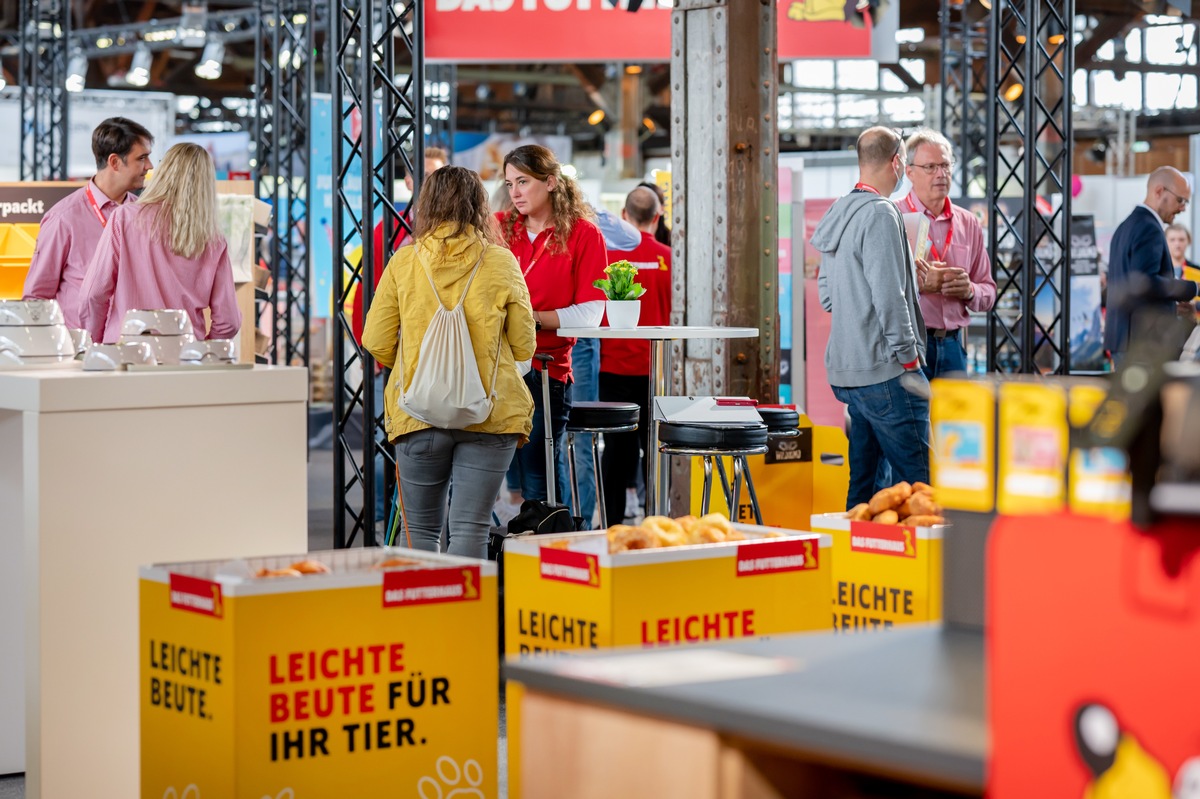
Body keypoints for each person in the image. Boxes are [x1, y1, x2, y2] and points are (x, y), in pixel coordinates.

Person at [362, 165, 535, 558]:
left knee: (419, 530)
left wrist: (418, 365)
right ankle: (469, 618)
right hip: (490, 414)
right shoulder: (500, 261)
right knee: (471, 527)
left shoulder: (404, 262)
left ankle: (425, 613)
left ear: (427, 206)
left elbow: (375, 340)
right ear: (480, 205)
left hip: (418, 412)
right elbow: (525, 344)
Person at [812, 126, 930, 509]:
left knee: (865, 488)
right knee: (922, 484)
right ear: (897, 162)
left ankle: (856, 566)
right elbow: (890, 298)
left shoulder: (839, 212)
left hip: (849, 373)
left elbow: (827, 297)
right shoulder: (881, 214)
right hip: (887, 372)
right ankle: (930, 568)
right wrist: (910, 357)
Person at [499, 144, 608, 510]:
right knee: (493, 469)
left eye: (523, 181)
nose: (515, 192)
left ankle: (549, 550)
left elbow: (592, 312)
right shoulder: (500, 228)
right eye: (510, 183)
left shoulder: (583, 234)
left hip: (547, 371)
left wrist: (532, 318)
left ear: (549, 182)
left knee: (539, 473)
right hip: (496, 368)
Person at [79, 143, 239, 344]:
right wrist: (200, 350)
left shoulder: (124, 218)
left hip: (127, 351)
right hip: (184, 359)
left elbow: (93, 294)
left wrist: (96, 342)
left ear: (164, 172)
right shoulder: (213, 239)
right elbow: (229, 321)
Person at [23, 117, 154, 327]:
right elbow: (37, 297)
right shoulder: (63, 218)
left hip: (136, 344)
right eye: (142, 158)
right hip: (80, 350)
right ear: (114, 162)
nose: (149, 166)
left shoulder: (145, 214)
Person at [599, 186, 672, 526]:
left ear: (624, 217)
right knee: (657, 454)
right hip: (655, 372)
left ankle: (612, 527)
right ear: (657, 218)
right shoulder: (668, 258)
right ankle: (656, 523)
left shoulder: (607, 257)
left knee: (615, 455)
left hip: (612, 369)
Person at [899, 129, 996, 378]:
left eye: (945, 165)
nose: (941, 174)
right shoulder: (893, 217)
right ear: (909, 172)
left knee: (954, 419)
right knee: (913, 419)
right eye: (930, 167)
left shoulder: (969, 222)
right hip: (909, 348)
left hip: (954, 347)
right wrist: (918, 285)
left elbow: (989, 291)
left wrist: (970, 291)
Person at [1103, 167, 1200, 359]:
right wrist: (1194, 288)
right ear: (1159, 191)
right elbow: (1146, 282)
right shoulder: (1149, 228)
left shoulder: (1126, 226)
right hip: (1142, 342)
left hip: (1125, 337)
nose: (1183, 208)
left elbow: (1134, 285)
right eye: (1180, 200)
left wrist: (1171, 306)